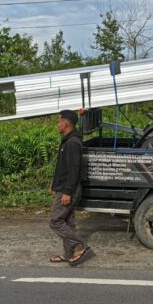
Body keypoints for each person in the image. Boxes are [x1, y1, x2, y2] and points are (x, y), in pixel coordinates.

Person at [49, 109, 94, 266]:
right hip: (63, 187)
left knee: (55, 221)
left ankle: (81, 246)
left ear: (66, 122)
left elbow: (74, 170)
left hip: (69, 189)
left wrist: (67, 192)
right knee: (67, 221)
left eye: (59, 121)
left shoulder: (73, 143)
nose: (57, 124)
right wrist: (54, 184)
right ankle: (69, 254)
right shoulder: (68, 141)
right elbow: (63, 167)